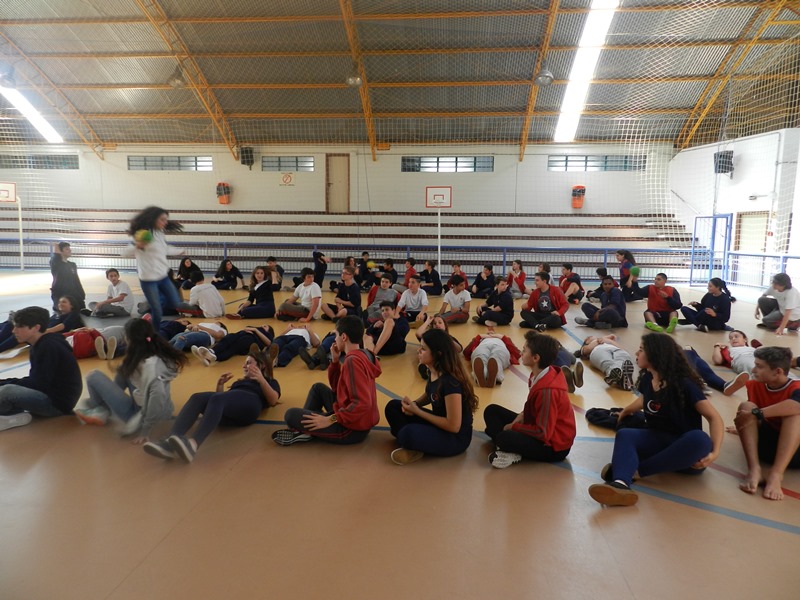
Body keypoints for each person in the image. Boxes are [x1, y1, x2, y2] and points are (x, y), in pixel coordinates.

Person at [588, 333, 724, 507]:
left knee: (700, 439)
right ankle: (620, 484)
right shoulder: (648, 378)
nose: (636, 353)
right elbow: (646, 399)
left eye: (641, 350)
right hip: (659, 441)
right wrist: (626, 411)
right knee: (625, 434)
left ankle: (635, 471)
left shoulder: (684, 384)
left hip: (685, 452)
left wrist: (715, 453)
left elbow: (714, 417)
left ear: (655, 354)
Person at [144, 349, 281, 464]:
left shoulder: (270, 381)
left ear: (262, 365)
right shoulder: (238, 383)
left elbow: (273, 400)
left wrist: (262, 380)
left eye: (249, 363)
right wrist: (220, 386)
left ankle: (193, 444)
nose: (244, 366)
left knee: (218, 398)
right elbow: (223, 401)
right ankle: (170, 440)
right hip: (231, 412)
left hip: (251, 406)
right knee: (197, 397)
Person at [272, 316, 381, 446]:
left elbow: (362, 403)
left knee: (290, 415)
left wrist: (330, 419)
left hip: (352, 429)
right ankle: (310, 428)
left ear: (344, 337)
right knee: (317, 388)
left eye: (336, 335)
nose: (335, 339)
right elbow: (338, 389)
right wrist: (335, 362)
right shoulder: (363, 354)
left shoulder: (352, 361)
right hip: (354, 417)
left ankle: (306, 431)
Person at [74, 319, 187, 443]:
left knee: (93, 376)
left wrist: (146, 430)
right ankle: (102, 408)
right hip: (158, 409)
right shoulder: (154, 353)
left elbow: (158, 395)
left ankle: (100, 409)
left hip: (138, 416)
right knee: (125, 370)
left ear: (130, 340)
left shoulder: (148, 367)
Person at [384, 328, 478, 465]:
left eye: (423, 349)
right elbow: (431, 394)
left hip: (455, 438)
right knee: (393, 407)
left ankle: (414, 444)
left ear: (437, 354)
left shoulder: (450, 383)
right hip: (440, 425)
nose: (418, 351)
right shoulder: (433, 370)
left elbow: (453, 426)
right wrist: (414, 404)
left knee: (406, 434)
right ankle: (417, 443)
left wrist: (417, 412)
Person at [484, 331, 576, 468]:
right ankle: (506, 445)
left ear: (535, 358)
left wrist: (513, 427)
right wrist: (521, 416)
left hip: (554, 447)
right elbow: (534, 409)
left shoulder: (547, 391)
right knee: (491, 411)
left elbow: (542, 433)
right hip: (539, 426)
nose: (521, 353)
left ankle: (509, 449)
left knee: (504, 437)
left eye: (524, 350)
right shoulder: (538, 374)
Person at [733, 346, 800, 501]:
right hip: (766, 447)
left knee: (794, 415)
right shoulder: (755, 385)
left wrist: (757, 413)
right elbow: (752, 415)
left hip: (794, 453)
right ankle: (754, 469)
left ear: (777, 372)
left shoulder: (796, 387)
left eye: (759, 366)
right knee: (746, 406)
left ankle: (776, 474)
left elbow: (796, 406)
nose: (754, 370)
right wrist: (745, 426)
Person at [0, 307, 82, 431]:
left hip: (57, 404)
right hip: (53, 396)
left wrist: (7, 383)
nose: (13, 330)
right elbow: (37, 380)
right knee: (6, 388)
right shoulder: (41, 343)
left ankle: (7, 416)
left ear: (36, 328)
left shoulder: (48, 347)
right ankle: (10, 415)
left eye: (19, 327)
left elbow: (37, 384)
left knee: (7, 391)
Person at [123, 206, 184, 331]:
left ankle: (147, 308)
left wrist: (178, 251)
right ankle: (155, 333)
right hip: (148, 279)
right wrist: (138, 245)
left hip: (163, 276)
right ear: (154, 219)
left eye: (166, 220)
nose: (165, 222)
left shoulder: (159, 233)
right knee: (157, 310)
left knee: (175, 303)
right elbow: (125, 252)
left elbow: (164, 249)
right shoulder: (142, 234)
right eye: (162, 219)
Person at [194, 324, 275, 365]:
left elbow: (268, 343)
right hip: (239, 335)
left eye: (265, 326)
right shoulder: (255, 328)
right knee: (227, 340)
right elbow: (246, 328)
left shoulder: (266, 334)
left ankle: (214, 356)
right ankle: (210, 353)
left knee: (232, 349)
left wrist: (255, 330)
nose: (262, 326)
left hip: (249, 340)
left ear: (269, 331)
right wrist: (251, 329)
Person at [50, 241, 86, 311]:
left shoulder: (72, 265)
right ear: (61, 251)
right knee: (62, 310)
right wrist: (56, 245)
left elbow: (76, 279)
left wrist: (81, 293)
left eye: (69, 248)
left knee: (81, 309)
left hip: (73, 292)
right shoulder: (56, 263)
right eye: (67, 249)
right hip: (60, 292)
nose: (70, 250)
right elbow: (56, 256)